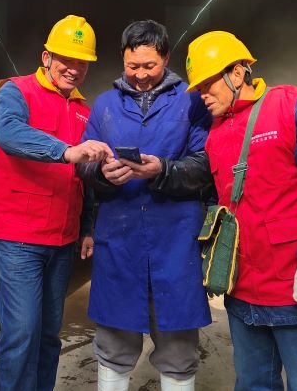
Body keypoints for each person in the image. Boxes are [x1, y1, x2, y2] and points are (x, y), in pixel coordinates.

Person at [185, 30, 297, 391]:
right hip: (245, 288)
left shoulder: (295, 109)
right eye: (197, 88)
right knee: (253, 383)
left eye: (207, 84)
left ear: (236, 73)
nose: (202, 94)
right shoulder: (216, 133)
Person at [78, 20, 215, 391]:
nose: (140, 75)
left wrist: (163, 170)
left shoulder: (192, 100)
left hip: (176, 238)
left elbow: (207, 164)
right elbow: (83, 163)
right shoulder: (105, 105)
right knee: (113, 342)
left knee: (178, 344)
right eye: (132, 66)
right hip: (119, 237)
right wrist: (102, 173)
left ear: (166, 58)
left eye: (149, 66)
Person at [0, 15, 112, 391]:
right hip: (18, 236)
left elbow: (83, 176)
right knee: (22, 332)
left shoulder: (84, 109)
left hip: (62, 238)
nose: (73, 69)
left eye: (81, 63)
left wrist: (87, 227)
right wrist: (67, 151)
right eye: (65, 60)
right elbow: (9, 133)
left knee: (47, 334)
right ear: (47, 57)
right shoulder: (15, 91)